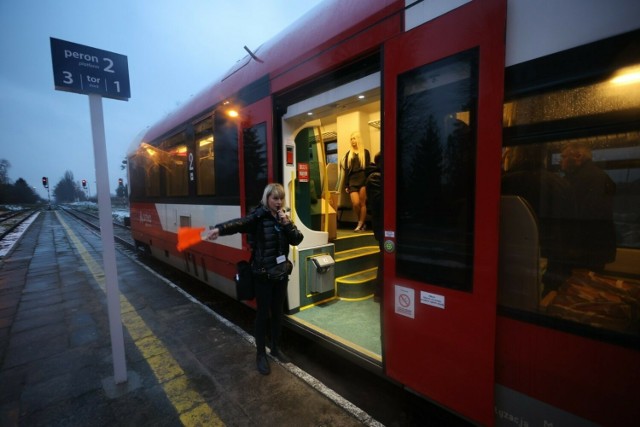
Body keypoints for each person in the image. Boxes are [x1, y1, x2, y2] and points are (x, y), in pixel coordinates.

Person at [205, 183, 304, 375]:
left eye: (281, 198)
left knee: (277, 314)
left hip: (281, 275)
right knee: (262, 316)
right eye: (274, 198)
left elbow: (297, 239)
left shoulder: (283, 218)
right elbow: (239, 223)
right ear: (267, 199)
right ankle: (261, 354)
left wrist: (287, 223)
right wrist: (220, 229)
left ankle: (275, 348)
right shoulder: (258, 217)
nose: (278, 202)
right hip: (263, 275)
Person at [501, 144, 575, 294]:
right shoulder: (561, 183)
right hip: (554, 256)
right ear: (544, 156)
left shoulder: (505, 182)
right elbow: (569, 227)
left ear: (516, 155)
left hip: (513, 256)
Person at [560, 141, 617, 271]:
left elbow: (578, 217)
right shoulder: (601, 176)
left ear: (578, 156)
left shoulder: (576, 180)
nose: (560, 161)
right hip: (597, 248)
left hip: (581, 249)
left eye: (563, 157)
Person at [342, 131, 370, 231]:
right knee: (355, 203)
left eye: (354, 138)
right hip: (352, 181)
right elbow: (346, 170)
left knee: (362, 203)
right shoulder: (348, 154)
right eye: (351, 139)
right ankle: (362, 222)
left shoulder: (365, 152)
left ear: (358, 139)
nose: (353, 141)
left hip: (363, 180)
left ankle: (360, 224)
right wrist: (346, 185)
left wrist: (368, 181)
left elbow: (368, 168)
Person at [365, 152, 383, 301]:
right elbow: (379, 203)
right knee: (385, 257)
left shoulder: (377, 176)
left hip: (382, 224)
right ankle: (379, 292)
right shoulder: (376, 177)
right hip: (381, 225)